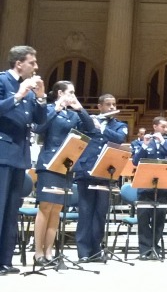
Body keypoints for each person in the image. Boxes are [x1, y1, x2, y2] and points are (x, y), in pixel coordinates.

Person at [32, 81, 94, 266]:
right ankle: (38, 252)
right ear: (60, 93)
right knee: (46, 207)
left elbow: (91, 129)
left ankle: (50, 251)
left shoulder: (73, 116)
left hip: (66, 164)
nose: (74, 96)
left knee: (57, 209)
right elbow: (38, 128)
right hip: (49, 163)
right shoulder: (50, 109)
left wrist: (81, 109)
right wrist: (56, 109)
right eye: (71, 93)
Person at [0, 46, 47, 276]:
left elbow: (39, 122)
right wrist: (18, 95)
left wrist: (40, 98)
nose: (36, 67)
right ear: (19, 63)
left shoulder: (29, 88)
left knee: (11, 210)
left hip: (19, 155)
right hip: (3, 153)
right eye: (32, 62)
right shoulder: (3, 82)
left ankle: (5, 260)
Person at [73, 94, 128, 262]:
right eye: (108, 104)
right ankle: (83, 252)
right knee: (85, 212)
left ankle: (96, 251)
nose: (112, 107)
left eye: (114, 104)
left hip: (105, 173)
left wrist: (102, 128)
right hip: (86, 171)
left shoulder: (120, 126)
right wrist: (92, 122)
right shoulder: (88, 121)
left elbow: (119, 139)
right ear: (100, 107)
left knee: (99, 214)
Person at [132, 116, 167, 259]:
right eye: (163, 126)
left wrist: (163, 141)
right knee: (144, 220)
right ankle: (145, 250)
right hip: (145, 188)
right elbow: (135, 161)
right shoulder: (145, 143)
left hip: (163, 189)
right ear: (155, 126)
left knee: (159, 221)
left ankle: (155, 248)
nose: (166, 129)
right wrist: (145, 145)